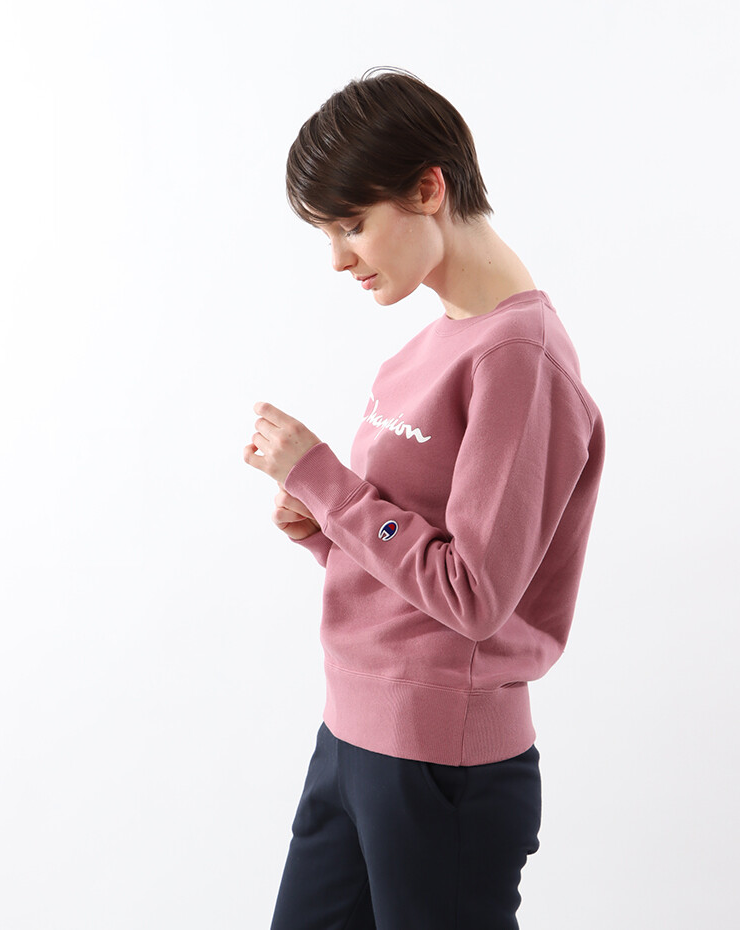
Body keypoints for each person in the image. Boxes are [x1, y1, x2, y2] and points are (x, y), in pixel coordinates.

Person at [244, 66, 606, 930]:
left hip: (443, 763)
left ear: (428, 189)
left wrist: (325, 480)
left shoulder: (519, 359)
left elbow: (474, 596)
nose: (339, 258)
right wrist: (324, 528)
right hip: (351, 736)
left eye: (351, 225)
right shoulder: (431, 347)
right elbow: (417, 562)